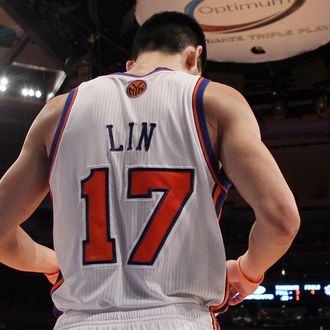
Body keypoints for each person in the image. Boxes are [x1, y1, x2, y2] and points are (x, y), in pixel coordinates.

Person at [0, 11, 300, 330]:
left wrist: (50, 260)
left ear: (131, 64)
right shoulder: (214, 100)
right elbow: (281, 219)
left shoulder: (58, 111)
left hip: (79, 322)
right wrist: (247, 270)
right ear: (193, 57)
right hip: (177, 318)